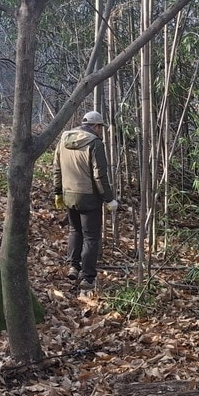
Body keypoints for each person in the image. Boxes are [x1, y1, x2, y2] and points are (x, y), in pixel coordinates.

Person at [53, 109, 119, 293]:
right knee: (91, 237)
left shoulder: (64, 138)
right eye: (100, 128)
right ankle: (88, 277)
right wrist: (109, 199)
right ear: (96, 126)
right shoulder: (95, 143)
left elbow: (56, 168)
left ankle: (73, 266)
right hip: (89, 197)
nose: (100, 131)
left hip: (68, 195)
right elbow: (100, 176)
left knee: (75, 231)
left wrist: (57, 191)